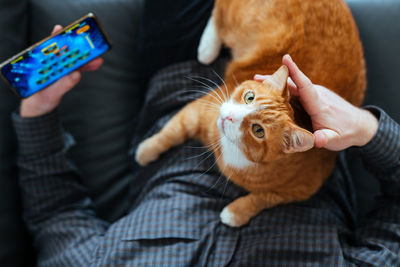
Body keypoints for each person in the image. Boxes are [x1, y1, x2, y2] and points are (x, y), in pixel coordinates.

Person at [13, 20, 399, 265]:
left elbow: (55, 216)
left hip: (183, 76)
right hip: (306, 80)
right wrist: (364, 127)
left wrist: (39, 110)